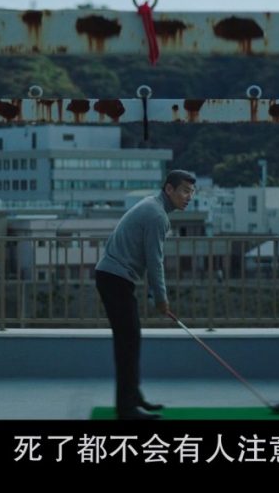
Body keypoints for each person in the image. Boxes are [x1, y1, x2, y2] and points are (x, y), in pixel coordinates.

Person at [95, 170, 196, 420]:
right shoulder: (157, 215)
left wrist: (156, 296)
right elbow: (155, 262)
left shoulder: (153, 206)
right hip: (114, 279)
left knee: (131, 340)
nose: (189, 197)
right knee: (127, 344)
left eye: (192, 192)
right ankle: (126, 409)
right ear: (169, 189)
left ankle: (134, 398)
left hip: (114, 278)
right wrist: (161, 299)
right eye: (185, 191)